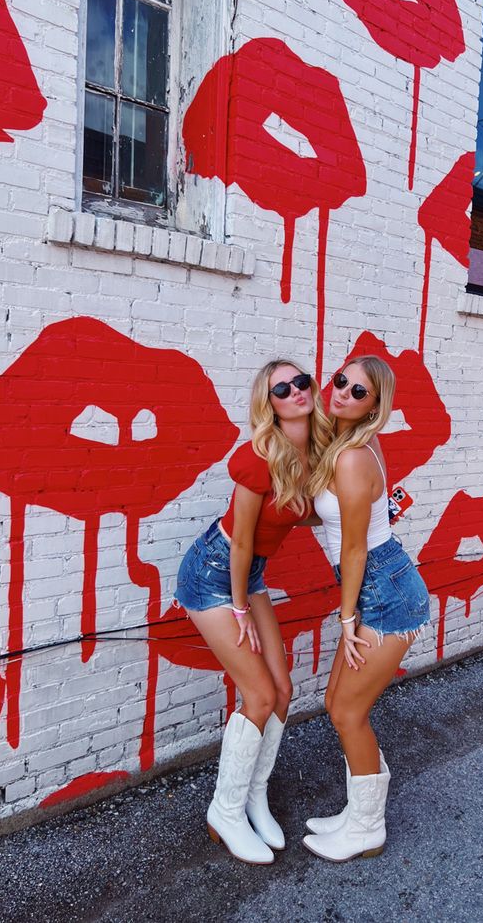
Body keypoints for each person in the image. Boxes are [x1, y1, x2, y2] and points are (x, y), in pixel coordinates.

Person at [175, 360, 331, 865]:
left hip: (250, 572)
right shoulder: (258, 456)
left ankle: (253, 795)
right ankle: (224, 809)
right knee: (259, 695)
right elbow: (242, 540)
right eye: (281, 389)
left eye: (300, 381)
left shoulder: (315, 453)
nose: (295, 391)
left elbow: (298, 514)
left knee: (284, 690)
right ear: (271, 405)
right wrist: (239, 604)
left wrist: (373, 512)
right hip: (214, 572)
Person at [303, 355, 431, 862]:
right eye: (341, 382)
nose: (343, 394)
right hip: (376, 583)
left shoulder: (352, 455)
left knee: (350, 712)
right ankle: (358, 811)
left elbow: (355, 549)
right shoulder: (346, 444)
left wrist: (348, 617)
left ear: (376, 406)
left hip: (384, 593)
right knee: (338, 706)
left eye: (360, 392)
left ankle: (367, 828)